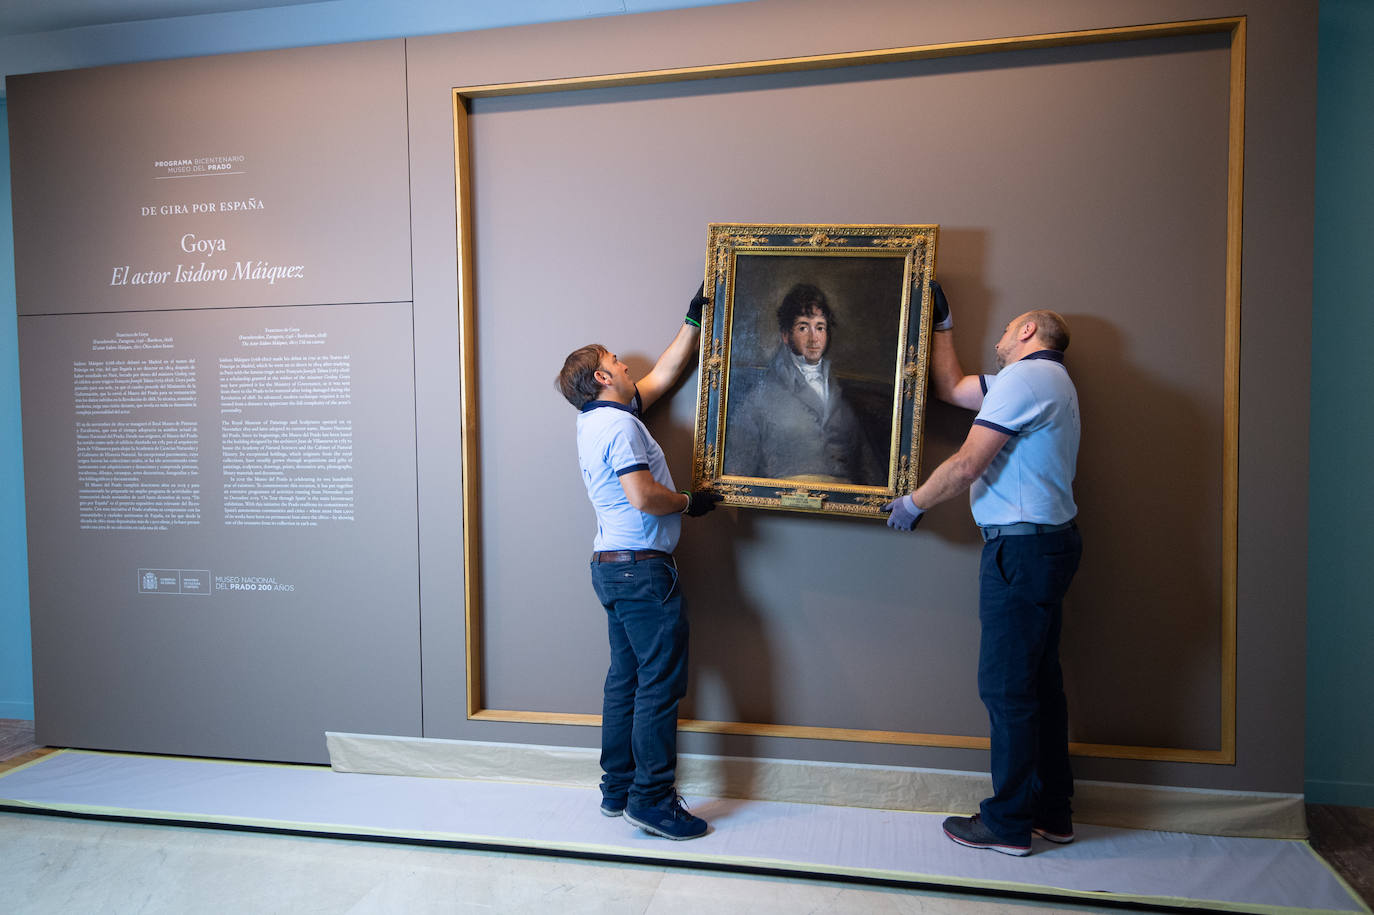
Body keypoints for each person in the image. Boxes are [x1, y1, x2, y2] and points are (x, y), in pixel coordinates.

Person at [884, 281, 1082, 857]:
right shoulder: (1044, 380)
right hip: (1046, 546)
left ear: (1027, 332)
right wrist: (942, 322)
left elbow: (968, 463)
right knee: (1039, 686)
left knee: (1007, 688)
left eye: (1005, 327)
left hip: (1021, 551)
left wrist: (912, 504)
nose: (998, 336)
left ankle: (1008, 823)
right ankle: (1051, 813)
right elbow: (951, 387)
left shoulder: (1027, 379)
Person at [554, 284, 722, 842]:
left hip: (612, 566)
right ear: (603, 378)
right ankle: (651, 801)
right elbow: (644, 496)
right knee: (658, 684)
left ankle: (617, 789)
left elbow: (665, 376)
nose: (626, 365)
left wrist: (692, 317)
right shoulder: (621, 426)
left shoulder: (596, 420)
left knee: (625, 679)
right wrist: (690, 504)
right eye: (616, 362)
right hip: (641, 571)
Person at [723, 282, 884, 484]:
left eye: (820, 327)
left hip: (844, 505)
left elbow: (868, 469)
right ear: (785, 335)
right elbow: (736, 473)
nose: (813, 338)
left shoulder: (840, 397)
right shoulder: (760, 398)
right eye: (802, 327)